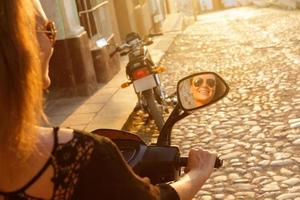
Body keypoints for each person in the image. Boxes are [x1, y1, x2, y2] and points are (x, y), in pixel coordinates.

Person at [0, 0, 217, 199]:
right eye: (48, 30)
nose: (52, 42)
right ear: (21, 44)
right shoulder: (80, 155)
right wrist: (198, 172)